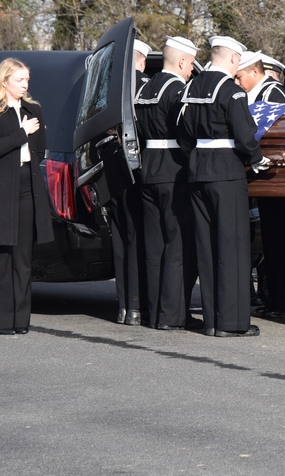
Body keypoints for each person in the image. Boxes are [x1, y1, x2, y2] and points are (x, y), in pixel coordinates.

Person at [177, 36, 270, 337]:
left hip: (197, 170)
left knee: (206, 246)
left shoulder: (191, 88)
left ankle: (212, 321)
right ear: (233, 59)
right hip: (226, 172)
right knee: (232, 246)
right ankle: (231, 322)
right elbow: (245, 136)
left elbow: (183, 133)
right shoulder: (232, 91)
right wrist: (257, 159)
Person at [0, 58, 54, 335]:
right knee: (0, 257)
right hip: (0, 189)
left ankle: (21, 320)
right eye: (20, 80)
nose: (25, 85)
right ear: (5, 81)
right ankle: (1, 321)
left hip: (27, 188)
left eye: (27, 80)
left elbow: (40, 150)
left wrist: (28, 134)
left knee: (22, 258)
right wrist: (22, 133)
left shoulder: (33, 110)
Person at [234, 51, 285, 318]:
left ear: (254, 71)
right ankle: (277, 299)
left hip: (283, 179)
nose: (238, 82)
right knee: (273, 242)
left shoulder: (274, 93)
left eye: (240, 76)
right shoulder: (255, 93)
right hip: (267, 179)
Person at [135, 36, 199, 330]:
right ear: (184, 62)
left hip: (146, 168)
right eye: (190, 65)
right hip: (173, 170)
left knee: (154, 245)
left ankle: (153, 311)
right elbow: (186, 133)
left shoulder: (144, 87)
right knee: (178, 243)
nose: (190, 71)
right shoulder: (179, 89)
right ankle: (172, 315)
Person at [110, 39, 151, 324]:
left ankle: (124, 306)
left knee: (120, 239)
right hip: (138, 168)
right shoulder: (146, 85)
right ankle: (137, 306)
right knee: (138, 238)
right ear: (143, 61)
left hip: (112, 168)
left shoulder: (108, 85)